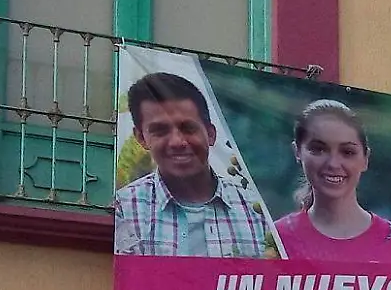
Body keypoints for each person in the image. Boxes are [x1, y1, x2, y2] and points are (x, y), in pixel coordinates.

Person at [113, 72, 276, 258]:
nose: (177, 142)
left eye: (188, 128)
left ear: (211, 134)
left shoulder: (258, 212)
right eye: (160, 131)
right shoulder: (124, 210)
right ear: (141, 138)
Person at [271, 99, 391, 263]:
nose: (333, 164)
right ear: (298, 152)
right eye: (318, 149)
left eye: (347, 152)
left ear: (365, 159)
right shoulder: (275, 239)